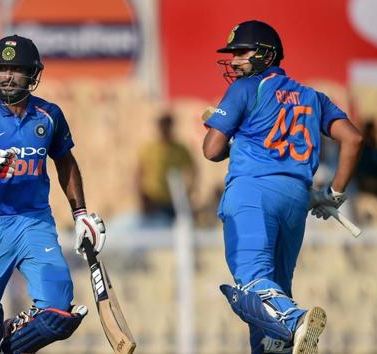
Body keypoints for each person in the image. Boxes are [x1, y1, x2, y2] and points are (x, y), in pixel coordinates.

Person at [202, 20, 363, 353]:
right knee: (271, 296)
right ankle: (279, 342)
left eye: (240, 53)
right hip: (294, 201)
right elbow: (353, 138)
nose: (233, 61)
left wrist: (236, 138)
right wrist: (333, 193)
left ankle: (297, 320)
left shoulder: (246, 88)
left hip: (251, 192)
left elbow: (211, 149)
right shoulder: (312, 96)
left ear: (265, 54)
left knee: (253, 287)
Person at [0, 35, 106, 354]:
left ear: (32, 74)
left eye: (16, 69)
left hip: (33, 221)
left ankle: (8, 344)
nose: (7, 77)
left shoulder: (49, 116)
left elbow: (65, 162)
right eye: (1, 69)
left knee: (58, 312)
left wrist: (81, 214)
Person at [136, 113, 196, 226]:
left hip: (173, 201)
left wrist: (189, 191)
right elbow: (138, 173)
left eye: (167, 126)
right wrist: (141, 196)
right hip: (152, 200)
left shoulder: (180, 149)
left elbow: (193, 170)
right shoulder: (149, 148)